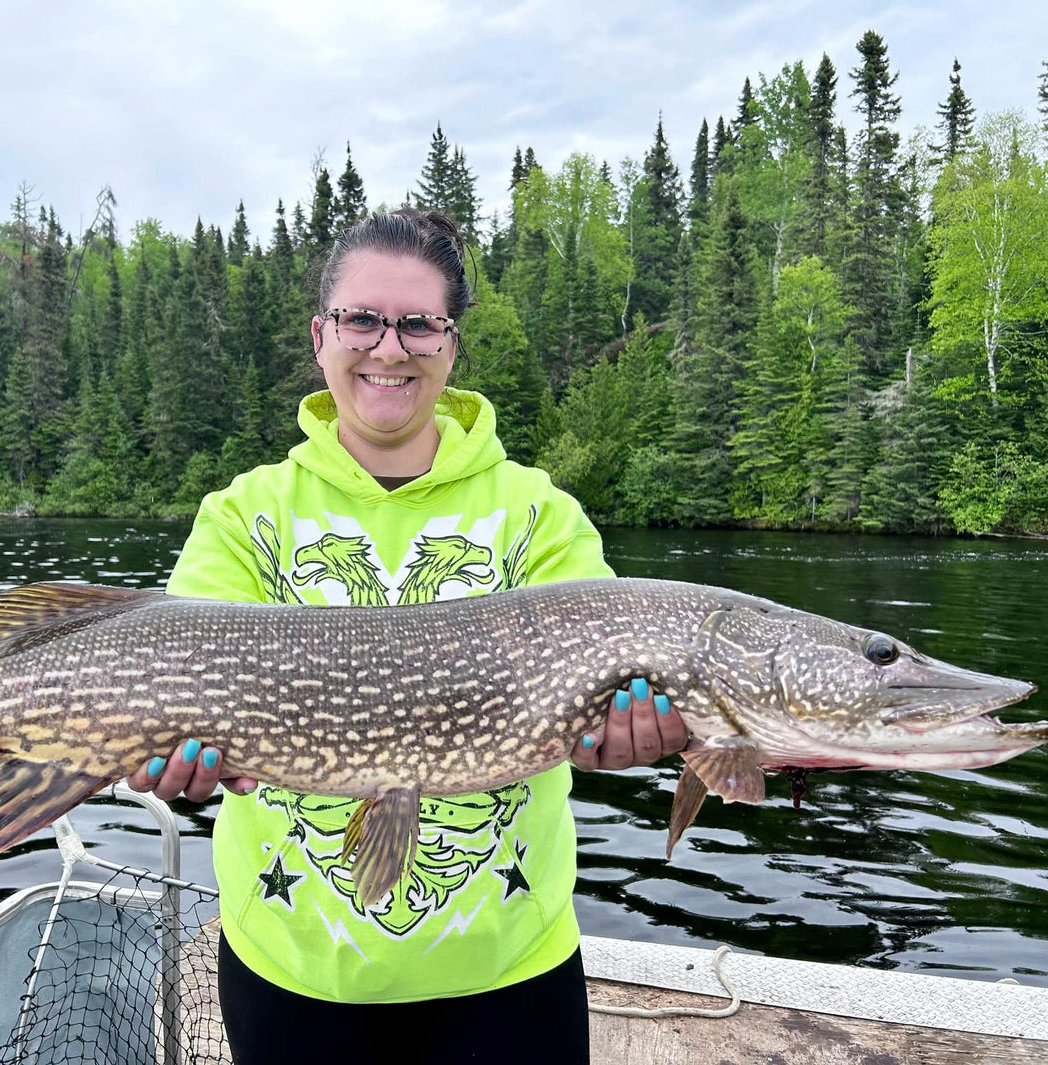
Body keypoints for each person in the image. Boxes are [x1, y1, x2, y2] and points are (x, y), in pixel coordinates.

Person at [127, 208, 687, 1064]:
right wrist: (163, 762)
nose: (389, 348)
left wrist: (630, 735)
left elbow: (613, 697)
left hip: (508, 970)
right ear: (321, 335)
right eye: (362, 319)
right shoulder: (243, 514)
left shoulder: (539, 514)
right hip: (292, 973)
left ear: (450, 346)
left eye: (419, 324)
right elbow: (172, 699)